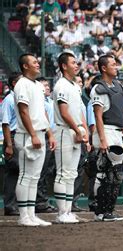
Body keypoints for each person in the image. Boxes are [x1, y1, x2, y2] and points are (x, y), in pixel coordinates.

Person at [14, 53, 57, 226]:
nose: (38, 64)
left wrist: (49, 133)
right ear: (25, 66)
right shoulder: (22, 84)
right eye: (34, 62)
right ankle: (23, 216)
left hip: (40, 132)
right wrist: (32, 134)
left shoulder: (38, 85)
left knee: (35, 176)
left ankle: (31, 214)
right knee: (25, 175)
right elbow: (24, 111)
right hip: (27, 134)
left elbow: (42, 111)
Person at [90, 55, 123, 222]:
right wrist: (102, 139)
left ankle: (108, 210)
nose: (116, 67)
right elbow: (98, 116)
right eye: (113, 64)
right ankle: (101, 210)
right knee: (106, 173)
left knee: (116, 174)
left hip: (117, 132)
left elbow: (122, 114)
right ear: (103, 68)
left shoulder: (118, 87)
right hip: (105, 131)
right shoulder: (99, 88)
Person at [52, 52, 89, 223]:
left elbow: (79, 111)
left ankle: (68, 211)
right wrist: (77, 129)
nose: (76, 65)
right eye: (73, 63)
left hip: (76, 131)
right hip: (64, 131)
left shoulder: (75, 85)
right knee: (63, 173)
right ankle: (62, 213)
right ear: (64, 66)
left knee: (72, 173)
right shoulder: (61, 85)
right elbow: (64, 112)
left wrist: (84, 130)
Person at [35, 77, 58, 214]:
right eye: (44, 86)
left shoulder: (51, 101)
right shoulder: (39, 102)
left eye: (48, 85)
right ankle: (40, 202)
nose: (47, 87)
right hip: (44, 135)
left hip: (53, 137)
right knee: (42, 171)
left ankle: (43, 200)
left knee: (48, 171)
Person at [2, 72, 22, 216]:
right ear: (14, 83)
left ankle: (16, 203)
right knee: (13, 172)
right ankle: (9, 205)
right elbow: (6, 124)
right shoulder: (9, 99)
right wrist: (9, 144)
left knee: (21, 172)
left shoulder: (19, 98)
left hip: (20, 136)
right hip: (13, 137)